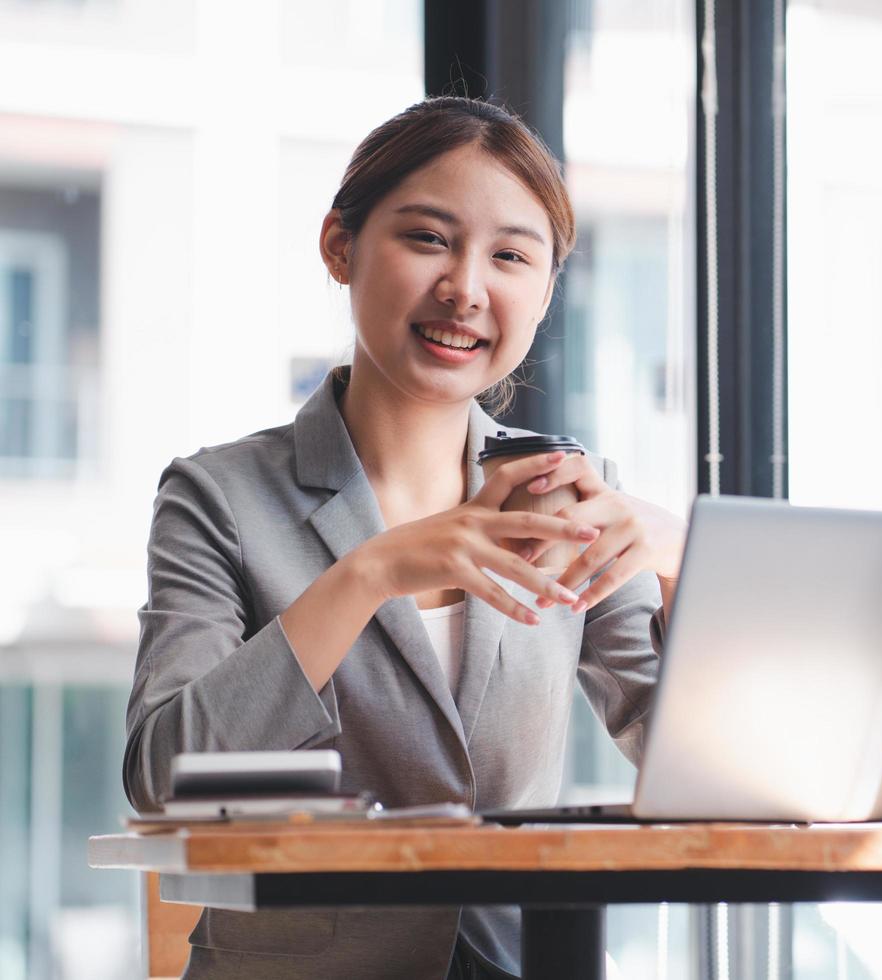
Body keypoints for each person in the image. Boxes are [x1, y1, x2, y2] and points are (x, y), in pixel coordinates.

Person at [122, 96, 686, 980]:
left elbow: (691, 757)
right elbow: (163, 778)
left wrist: (681, 556)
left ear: (543, 292)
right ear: (340, 247)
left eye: (509, 256)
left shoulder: (569, 497)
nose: (466, 287)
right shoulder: (219, 496)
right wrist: (372, 570)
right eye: (428, 239)